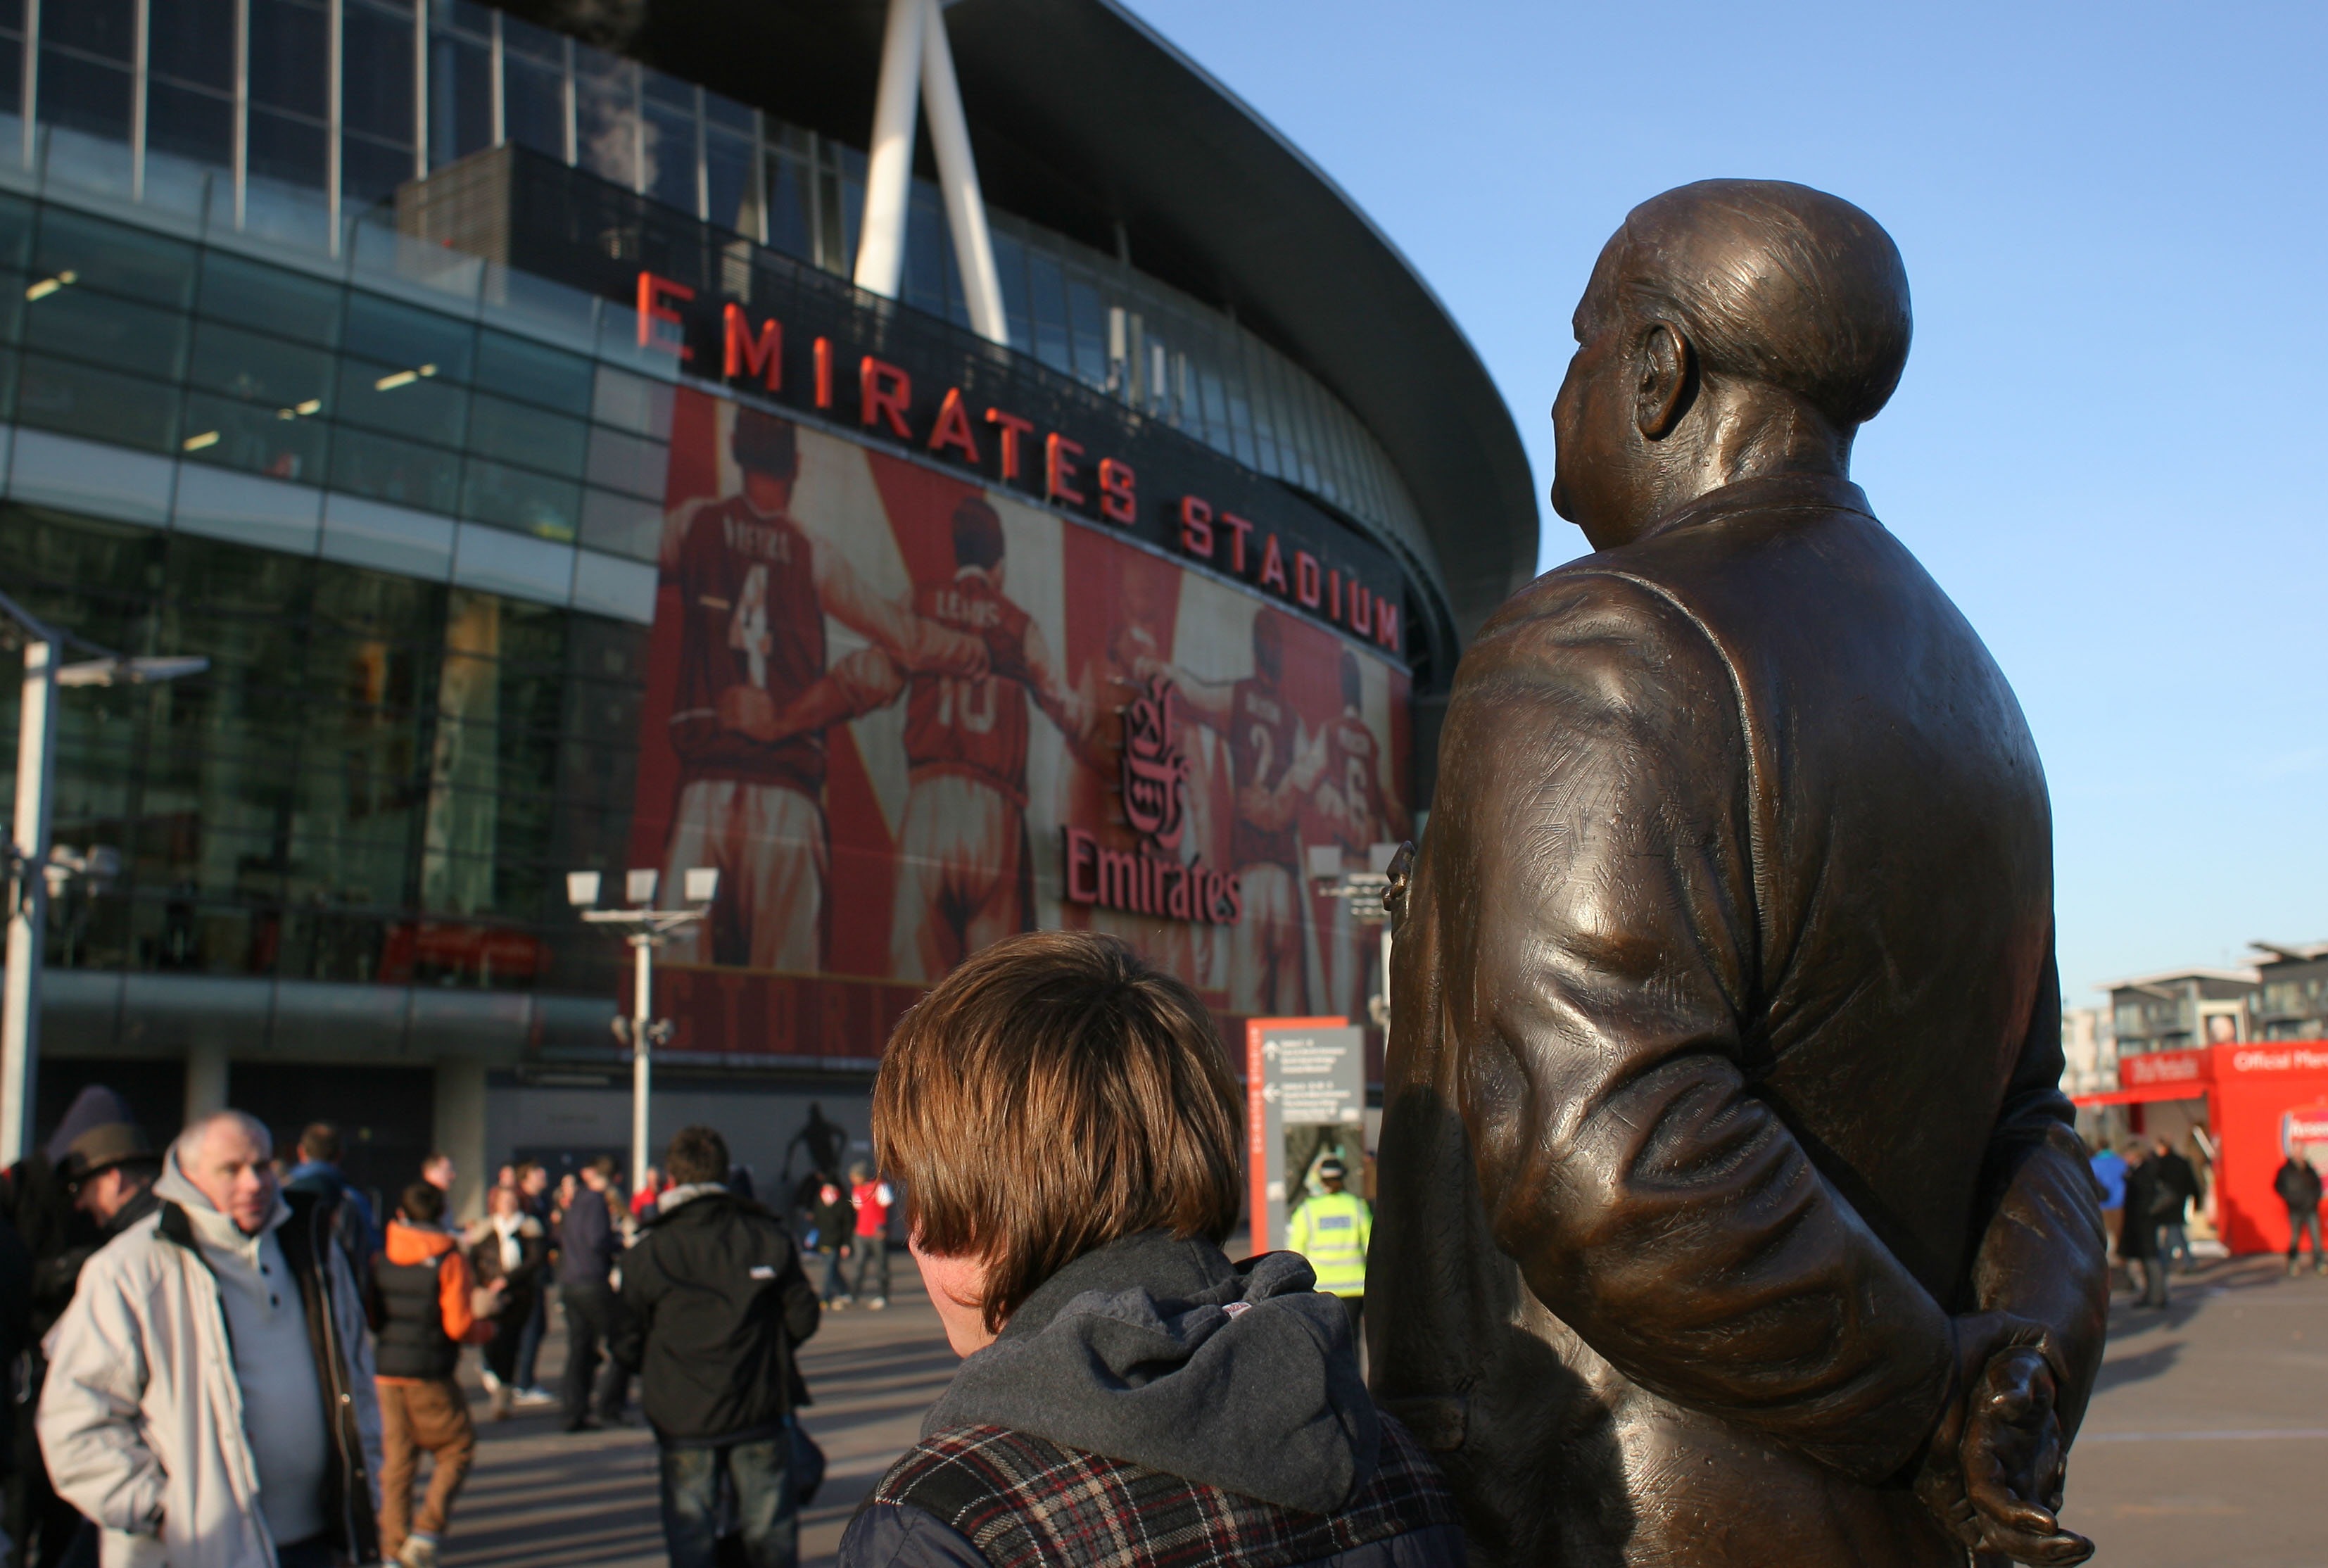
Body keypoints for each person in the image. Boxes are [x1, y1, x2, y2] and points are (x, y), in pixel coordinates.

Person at [1372, 179, 2109, 1568]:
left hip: (1614, 1521)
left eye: (1581, 346)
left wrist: (1931, 1393)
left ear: (1659, 373)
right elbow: (2035, 1135)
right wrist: (2014, 1383)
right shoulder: (1974, 696)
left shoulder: (1603, 641)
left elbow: (1600, 1145)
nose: (1557, 395)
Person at [839, 930, 1462, 1568]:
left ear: (978, 1217)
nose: (914, 1236)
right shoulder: (1399, 1464)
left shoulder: (949, 1524)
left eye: (925, 1193)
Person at [658, 407, 987, 970]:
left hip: (705, 787)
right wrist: (972, 650)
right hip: (788, 793)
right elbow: (905, 640)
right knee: (784, 992)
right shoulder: (814, 554)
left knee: (670, 985)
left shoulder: (692, 523)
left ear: (735, 448)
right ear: (798, 466)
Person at [39, 1109, 382, 1568]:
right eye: (231, 1170)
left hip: (317, 1544)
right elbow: (75, 1420)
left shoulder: (314, 1251)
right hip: (194, 1553)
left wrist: (368, 1481)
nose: (253, 1183)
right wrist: (164, 1512)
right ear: (187, 1176)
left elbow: (356, 1374)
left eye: (261, 1166)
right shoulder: (131, 1269)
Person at [881, 495, 1094, 982]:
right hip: (997, 812)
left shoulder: (920, 603)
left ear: (960, 555)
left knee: (918, 998)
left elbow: (874, 677)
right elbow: (1066, 708)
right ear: (1000, 565)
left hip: (928, 800)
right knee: (997, 997)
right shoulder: (1018, 624)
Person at [612, 1125, 819, 1568]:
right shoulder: (764, 1235)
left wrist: (656, 1366)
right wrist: (765, 1348)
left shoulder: (650, 1250)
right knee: (771, 1539)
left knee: (692, 1538)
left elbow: (624, 1339)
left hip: (682, 1413)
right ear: (724, 1173)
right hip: (757, 1406)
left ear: (672, 1177)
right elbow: (803, 1316)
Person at [1156, 610, 1327, 1016]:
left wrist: (1155, 668)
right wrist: (1280, 805)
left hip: (1249, 879)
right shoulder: (1293, 718)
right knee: (1291, 1016)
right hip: (1285, 883)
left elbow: (1193, 694)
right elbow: (1314, 772)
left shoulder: (1237, 697)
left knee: (1247, 1006)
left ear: (1253, 650)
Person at [372, 1182, 499, 1568]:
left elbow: (373, 1315)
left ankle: (392, 1549)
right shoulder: (449, 1259)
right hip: (429, 1370)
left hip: (387, 1372)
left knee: (397, 1463)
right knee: (457, 1448)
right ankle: (428, 1529)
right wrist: (488, 1327)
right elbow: (459, 1325)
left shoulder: (382, 1257)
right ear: (442, 1214)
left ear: (400, 1215)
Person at [557, 1156, 628, 1431]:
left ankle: (573, 1411)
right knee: (621, 1342)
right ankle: (609, 1405)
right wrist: (618, 1244)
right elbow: (597, 1239)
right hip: (592, 1280)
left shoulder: (577, 1201)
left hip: (570, 1280)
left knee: (580, 1347)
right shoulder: (597, 1201)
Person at [468, 1183, 550, 1417]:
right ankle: (493, 1375)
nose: (509, 1205)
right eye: (505, 1201)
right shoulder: (485, 1230)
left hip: (519, 1297)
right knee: (491, 1344)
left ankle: (503, 1397)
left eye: (513, 1201)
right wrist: (480, 1285)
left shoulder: (528, 1229)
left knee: (511, 1345)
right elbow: (473, 1260)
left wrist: (508, 1280)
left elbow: (535, 1261)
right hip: (489, 1297)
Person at [286, 1120, 383, 1289]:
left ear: (301, 1152)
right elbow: (371, 1254)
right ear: (340, 1154)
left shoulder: (279, 1194)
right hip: (338, 1290)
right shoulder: (353, 1201)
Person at [1286, 1156, 1370, 1340]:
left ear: (1321, 1180)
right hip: (1354, 1288)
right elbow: (1370, 1248)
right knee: (1351, 1341)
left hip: (1320, 1289)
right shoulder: (1357, 1207)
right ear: (1343, 1178)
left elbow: (1295, 1254)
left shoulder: (1307, 1210)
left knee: (1326, 1343)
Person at [509, 1162, 557, 1404]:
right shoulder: (523, 1203)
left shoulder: (541, 1202)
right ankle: (523, 1383)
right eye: (539, 1174)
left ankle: (523, 1379)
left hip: (539, 1273)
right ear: (526, 1178)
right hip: (528, 1275)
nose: (544, 1177)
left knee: (538, 1328)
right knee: (531, 1327)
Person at [2121, 1143, 2168, 1308]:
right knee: (2146, 1259)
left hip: (2144, 1221)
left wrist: (2147, 1211)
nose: (2124, 1158)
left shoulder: (2145, 1170)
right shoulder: (2139, 1170)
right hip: (2140, 1220)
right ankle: (2151, 1294)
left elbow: (2146, 1194)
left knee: (2150, 1258)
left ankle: (2157, 1295)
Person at [846, 1163, 894, 1310]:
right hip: (861, 1233)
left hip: (876, 1233)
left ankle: (883, 1296)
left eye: (855, 1176)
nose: (853, 1179)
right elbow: (857, 1209)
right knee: (859, 1265)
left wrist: (885, 1228)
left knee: (881, 1265)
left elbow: (888, 1208)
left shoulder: (880, 1187)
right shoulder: (857, 1190)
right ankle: (854, 1294)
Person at [2150, 1136, 2201, 1272]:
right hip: (2180, 1199)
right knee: (2173, 1230)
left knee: (2174, 1231)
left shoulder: (2159, 1164)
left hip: (2167, 1201)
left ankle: (2184, 1262)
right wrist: (2196, 1199)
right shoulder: (2182, 1162)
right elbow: (2191, 1182)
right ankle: (2168, 1261)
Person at [807, 1172, 853, 1308]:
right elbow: (816, 1221)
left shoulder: (843, 1202)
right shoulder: (819, 1200)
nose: (830, 1191)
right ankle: (844, 1291)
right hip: (823, 1240)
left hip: (837, 1241)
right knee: (832, 1268)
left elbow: (848, 1224)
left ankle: (825, 1297)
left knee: (829, 1269)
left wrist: (846, 1243)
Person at [2274, 1151, 2323, 1276]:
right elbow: (2278, 1187)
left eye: (2302, 1152)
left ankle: (2320, 1263)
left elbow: (2318, 1185)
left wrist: (2315, 1199)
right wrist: (2290, 1199)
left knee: (2316, 1238)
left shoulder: (2309, 1168)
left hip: (2310, 1208)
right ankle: (2293, 1262)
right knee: (2295, 1237)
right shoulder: (2286, 1170)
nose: (2300, 1155)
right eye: (2298, 1152)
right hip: (2295, 1209)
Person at [2089, 1136, 2127, 1284]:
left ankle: (2107, 1277)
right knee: (2120, 1240)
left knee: (2103, 1242)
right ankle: (2124, 1275)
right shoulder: (2120, 1162)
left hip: (2102, 1206)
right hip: (2120, 1204)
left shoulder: (2093, 1163)